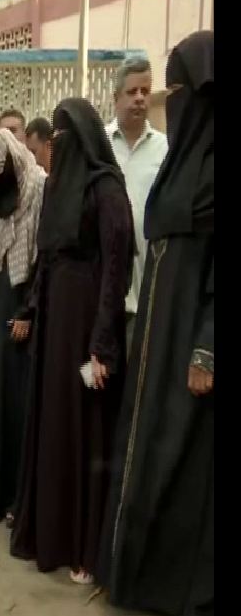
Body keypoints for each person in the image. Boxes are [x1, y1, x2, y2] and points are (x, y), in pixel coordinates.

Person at [97, 30, 214, 616]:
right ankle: (135, 576)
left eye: (171, 90)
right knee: (143, 450)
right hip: (153, 331)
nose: (160, 100)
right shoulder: (183, 163)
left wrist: (206, 350)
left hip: (191, 341)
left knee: (181, 459)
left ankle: (180, 588)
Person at [10, 98, 134, 585]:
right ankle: (49, 536)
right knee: (54, 425)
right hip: (55, 330)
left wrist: (101, 346)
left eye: (62, 138)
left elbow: (116, 269)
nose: (54, 147)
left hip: (86, 329)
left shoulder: (105, 190)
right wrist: (31, 311)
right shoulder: (59, 188)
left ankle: (85, 547)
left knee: (86, 430)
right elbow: (46, 259)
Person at [0, 128, 46, 525]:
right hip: (1, 296)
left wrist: (27, 312)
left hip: (25, 301)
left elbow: (41, 257)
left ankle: (20, 498)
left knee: (20, 402)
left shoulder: (38, 186)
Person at [105, 57, 169, 352]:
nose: (140, 98)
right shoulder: (99, 145)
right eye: (132, 92)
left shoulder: (165, 149)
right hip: (101, 297)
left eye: (145, 90)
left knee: (134, 386)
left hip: (145, 295)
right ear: (117, 97)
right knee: (92, 382)